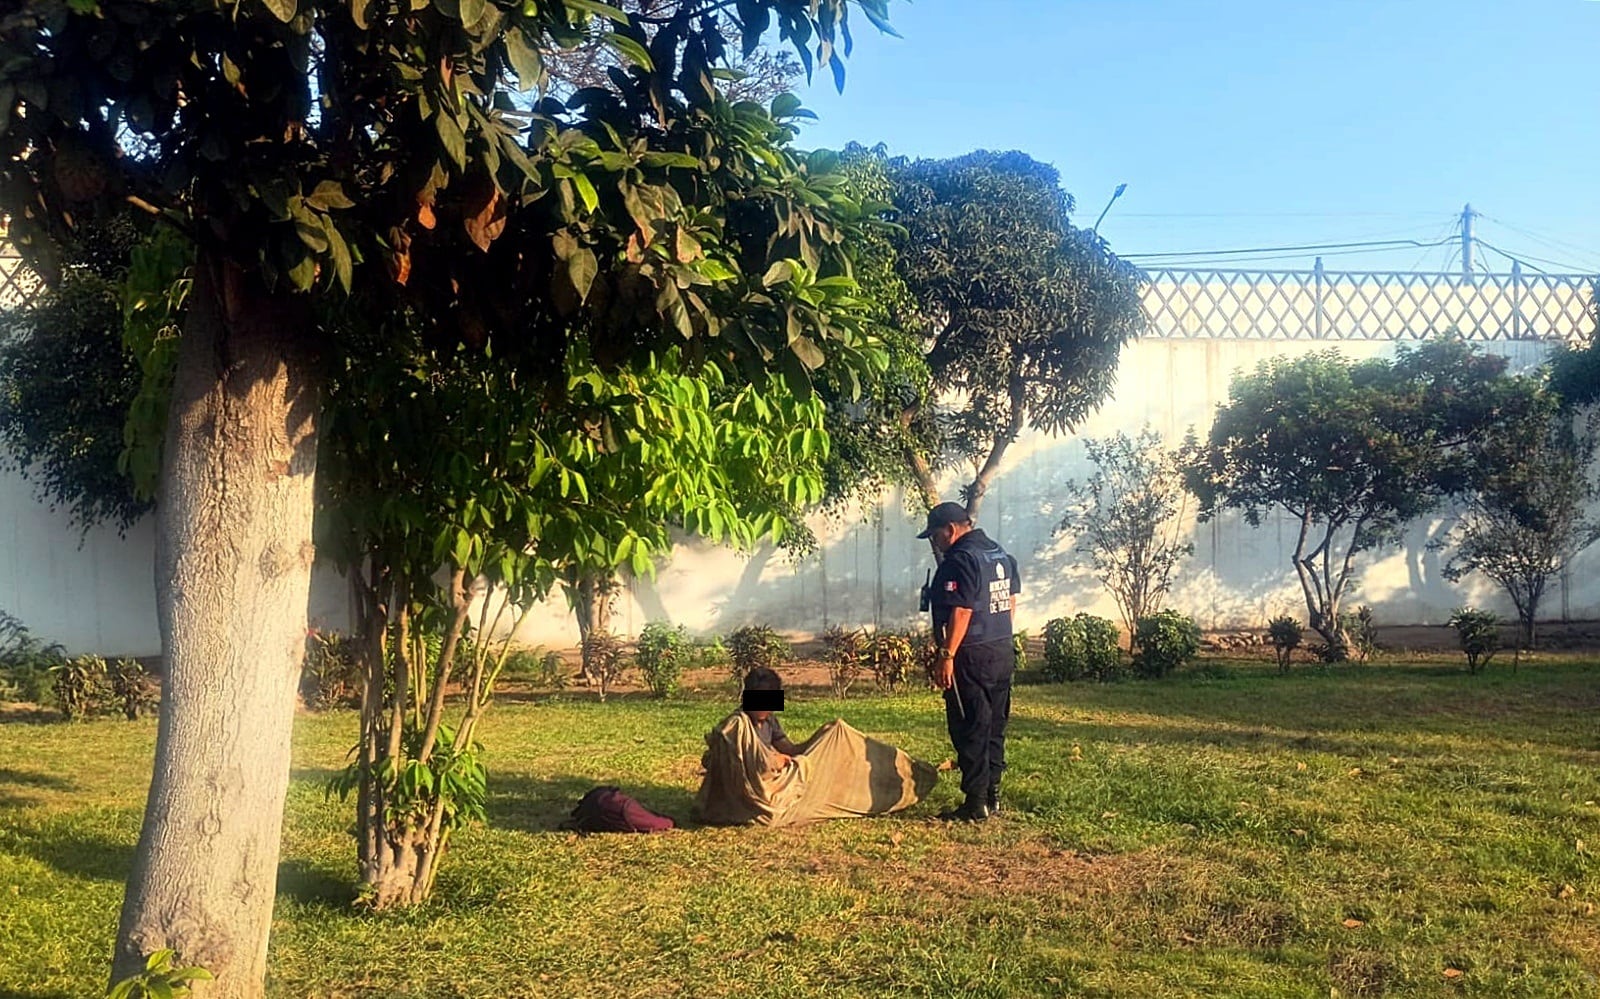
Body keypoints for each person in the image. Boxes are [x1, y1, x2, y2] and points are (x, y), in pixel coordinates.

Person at [692, 667, 938, 827]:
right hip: (757, 793)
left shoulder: (770, 721)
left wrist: (821, 739)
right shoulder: (738, 726)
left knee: (821, 752)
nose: (765, 707)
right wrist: (777, 761)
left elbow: (789, 749)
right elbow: (750, 763)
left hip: (779, 779)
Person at [918, 501, 1020, 823]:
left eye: (935, 536)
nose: (935, 543)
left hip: (971, 656)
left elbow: (961, 611)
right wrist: (999, 637)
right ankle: (992, 796)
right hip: (1001, 650)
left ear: (950, 530)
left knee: (969, 726)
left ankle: (975, 805)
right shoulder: (999, 553)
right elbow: (1010, 603)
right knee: (994, 726)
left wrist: (947, 655)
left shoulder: (959, 560)